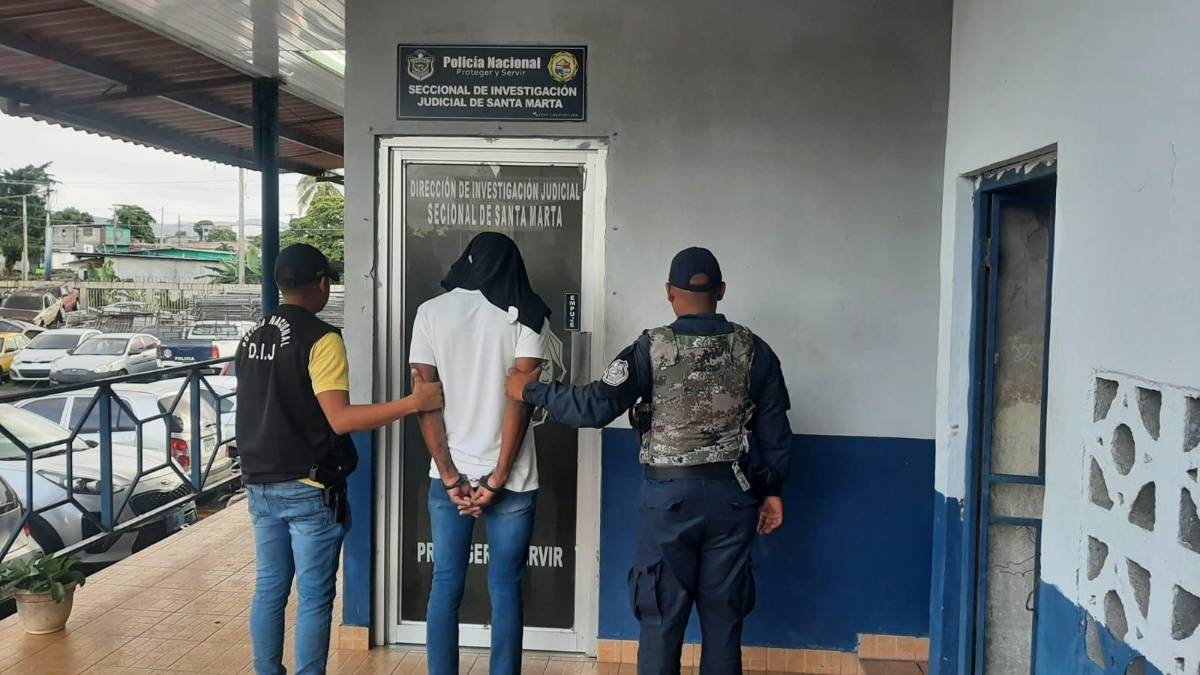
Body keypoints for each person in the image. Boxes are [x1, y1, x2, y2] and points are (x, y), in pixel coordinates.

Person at [506, 247, 792, 675]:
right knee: (724, 622)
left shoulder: (650, 348)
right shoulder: (754, 349)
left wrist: (530, 390)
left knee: (659, 618)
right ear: (721, 291)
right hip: (733, 499)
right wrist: (772, 491)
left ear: (669, 292)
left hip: (668, 503)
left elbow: (594, 407)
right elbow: (775, 431)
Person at [236, 243, 443, 675]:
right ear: (322, 283)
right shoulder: (322, 338)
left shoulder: (252, 335)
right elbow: (341, 419)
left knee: (269, 588)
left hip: (259, 482)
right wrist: (414, 402)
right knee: (314, 596)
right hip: (308, 488)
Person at [409, 232, 548, 675]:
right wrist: (497, 478)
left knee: (445, 583)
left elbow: (425, 400)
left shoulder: (430, 313)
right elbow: (520, 399)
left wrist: (450, 475)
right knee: (505, 587)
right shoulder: (528, 315)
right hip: (513, 479)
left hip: (449, 479)